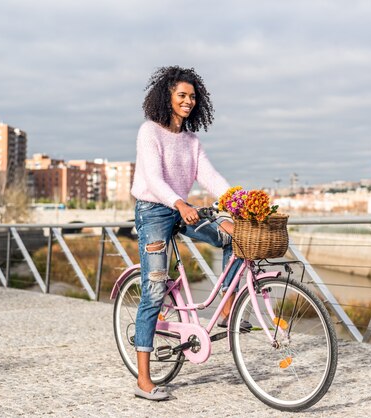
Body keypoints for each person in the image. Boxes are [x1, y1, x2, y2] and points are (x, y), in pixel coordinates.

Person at [130, 66, 244, 401]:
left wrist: (241, 201)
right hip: (154, 209)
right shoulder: (149, 132)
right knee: (154, 288)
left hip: (182, 208)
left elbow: (211, 177)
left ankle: (225, 307)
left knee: (232, 237)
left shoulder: (191, 141)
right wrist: (180, 204)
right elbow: (152, 179)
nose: (188, 101)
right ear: (167, 96)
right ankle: (143, 379)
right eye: (182, 95)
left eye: (193, 96)